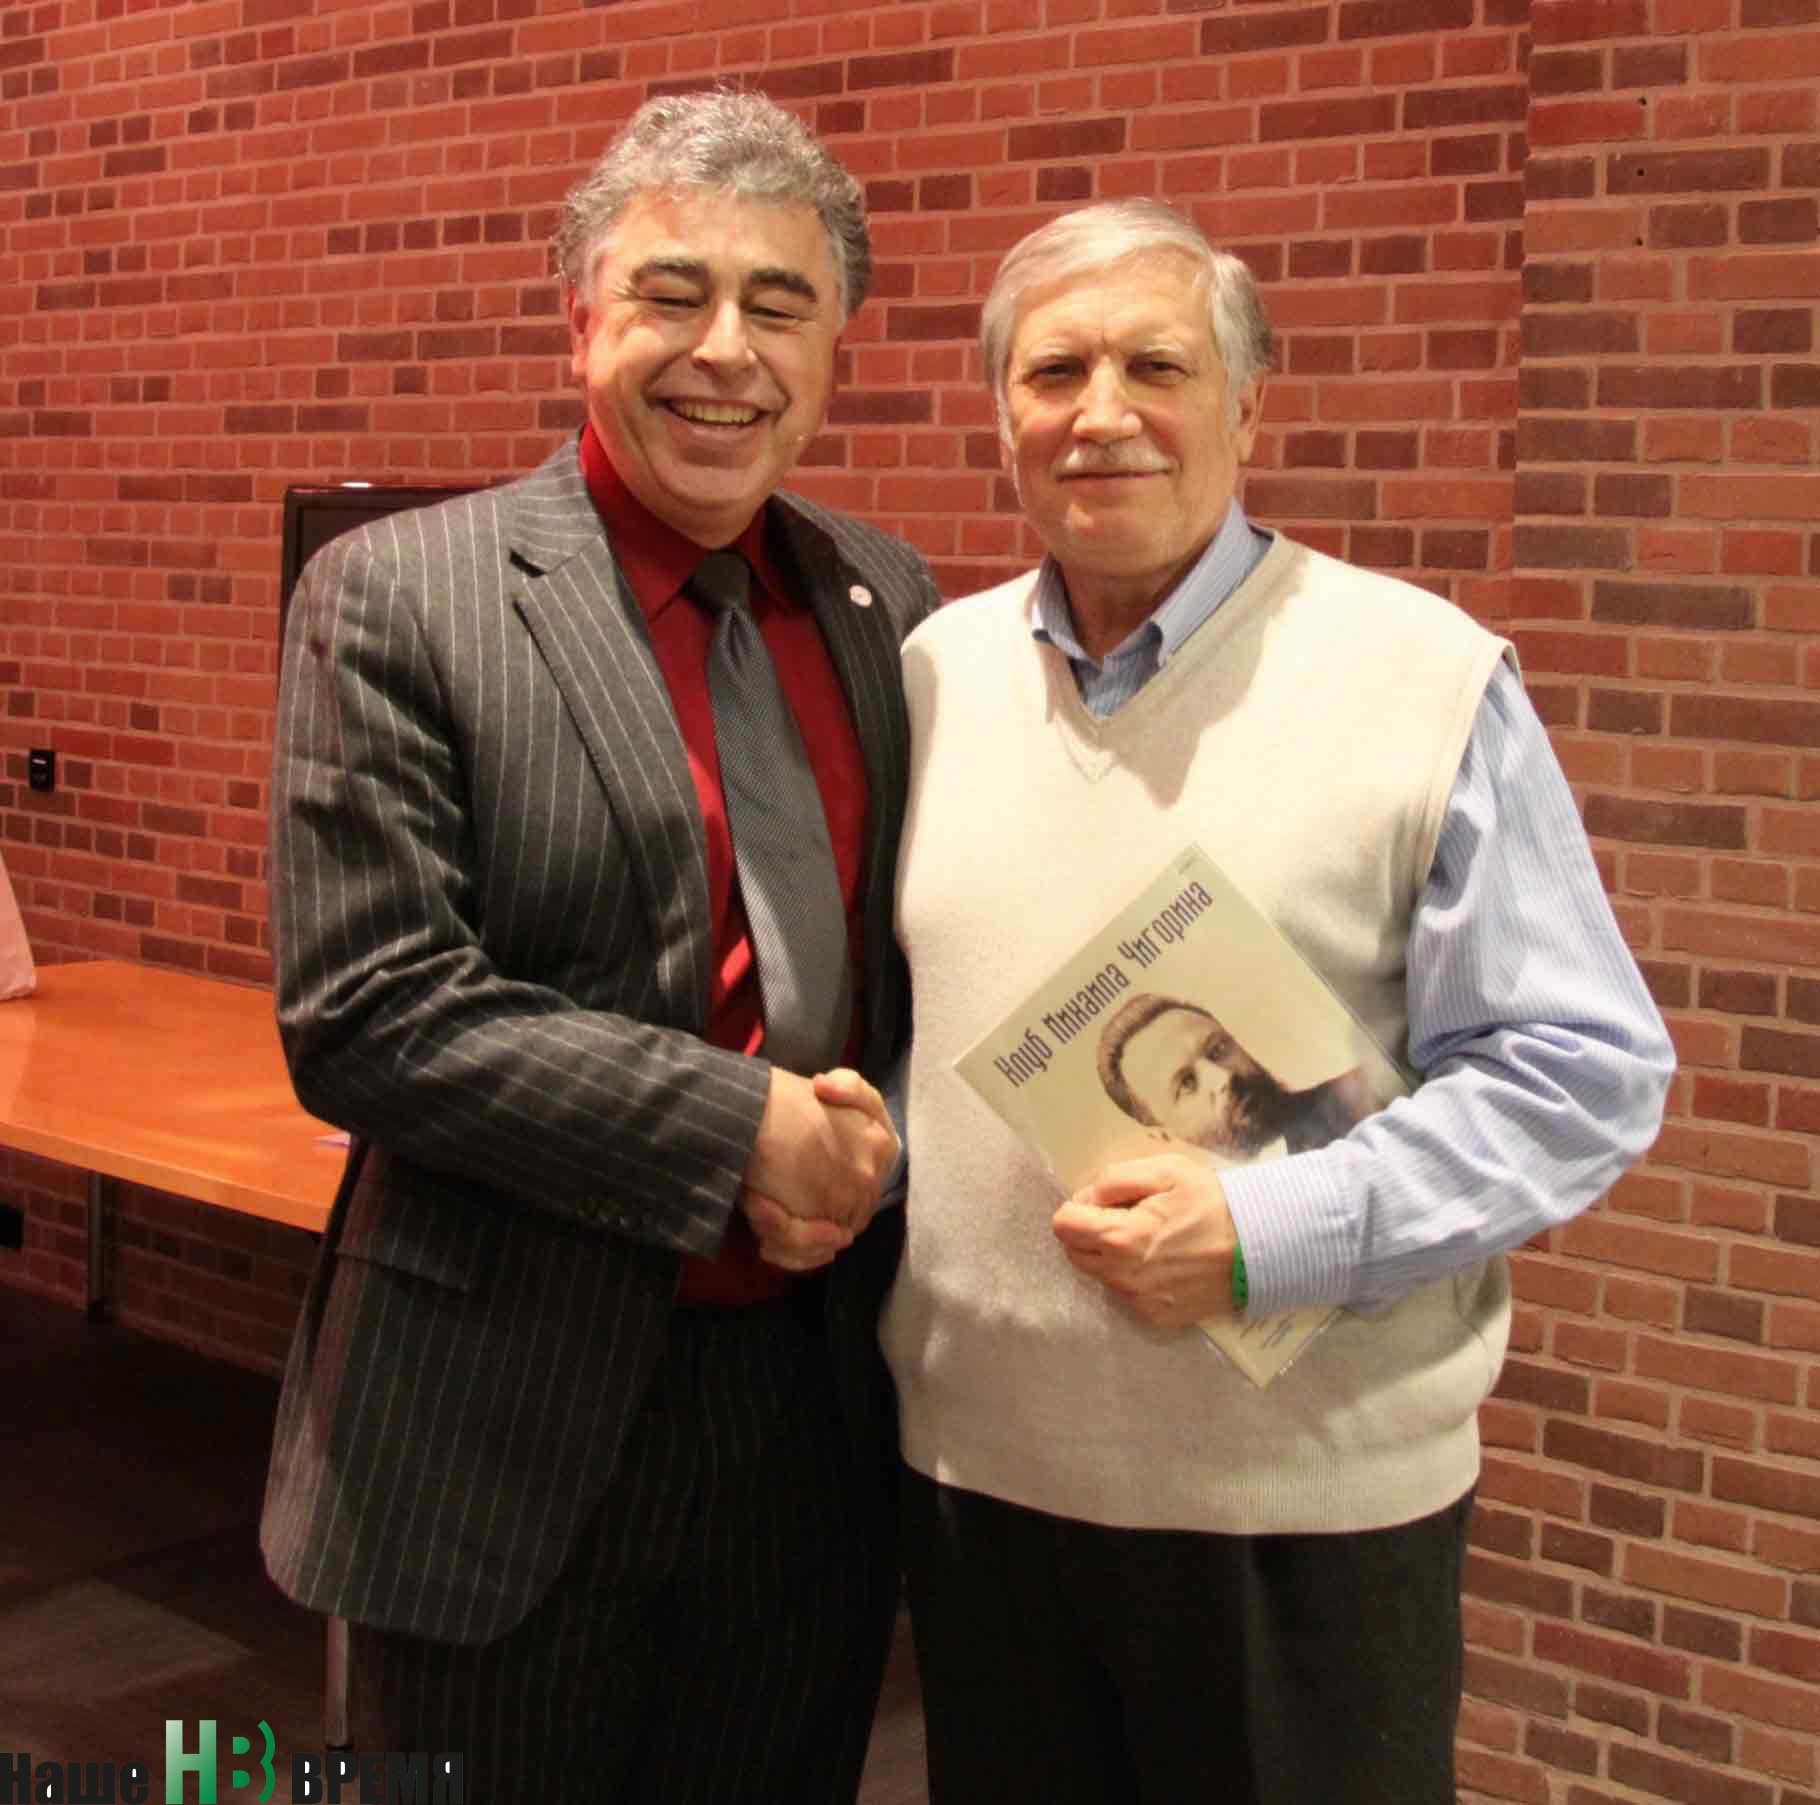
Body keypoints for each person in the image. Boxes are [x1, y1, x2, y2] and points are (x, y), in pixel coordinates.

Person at [883, 199, 1674, 1805]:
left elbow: (1580, 1070)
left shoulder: (1420, 677)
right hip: (980, 1499)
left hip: (1302, 1523)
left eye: (1157, 366)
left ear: (1249, 406)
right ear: (1002, 415)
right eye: (1055, 372)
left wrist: (1271, 1232)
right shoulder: (929, 676)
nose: (1102, 411)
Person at [262, 90, 939, 1805]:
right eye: (672, 294)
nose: (726, 352)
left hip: (810, 1419)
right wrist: (741, 1127)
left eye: (780, 304)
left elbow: (931, 959)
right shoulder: (402, 594)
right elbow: (368, 1011)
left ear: (835, 348)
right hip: (500, 1418)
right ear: (581, 318)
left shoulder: (893, 604)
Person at [1096, 991, 1371, 1160]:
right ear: (1163, 1133)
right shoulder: (1200, 1229)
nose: (1223, 1078)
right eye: (1187, 1083)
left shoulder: (1362, 1099)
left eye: (1218, 1050)